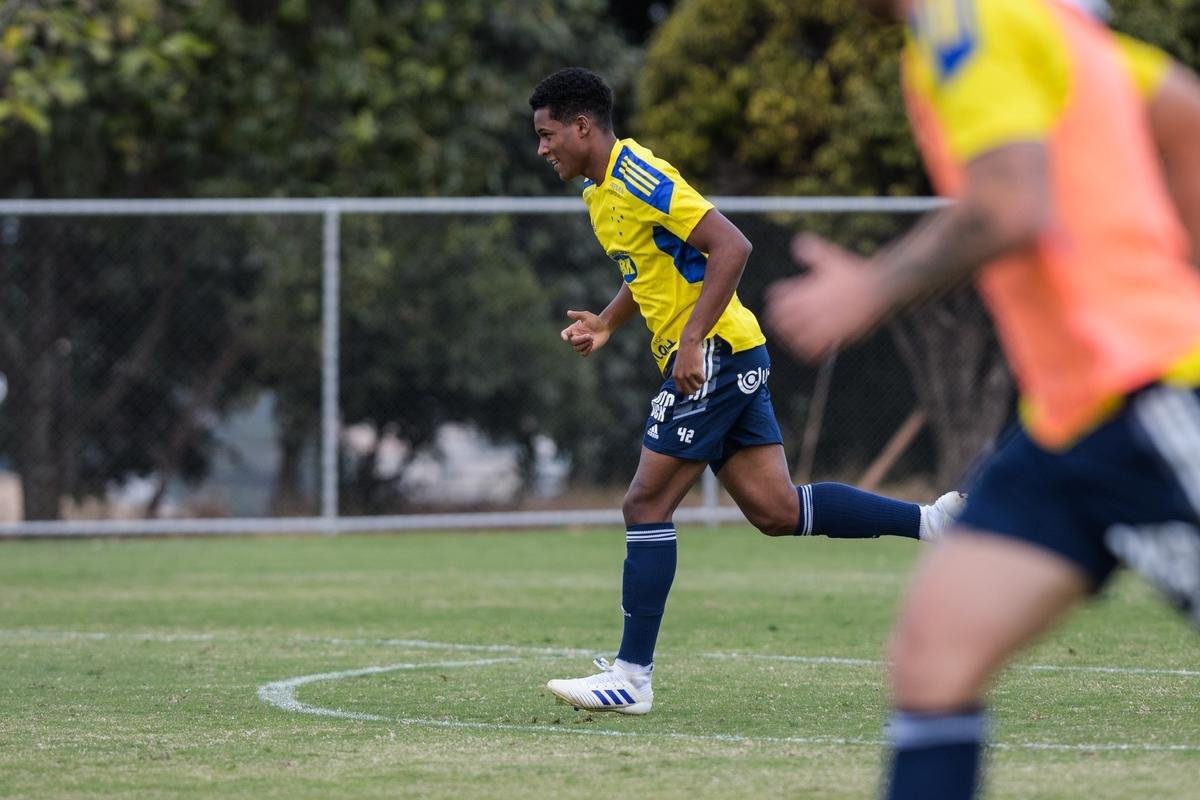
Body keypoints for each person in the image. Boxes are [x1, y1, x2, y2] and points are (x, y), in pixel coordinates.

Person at [763, 1, 1200, 798]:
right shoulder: (1047, 23)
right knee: (934, 658)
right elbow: (1187, 120)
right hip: (1071, 424)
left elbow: (1009, 204)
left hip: (1152, 396)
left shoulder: (961, 19)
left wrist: (872, 286)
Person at [528, 67, 964, 716]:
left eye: (547, 134)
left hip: (716, 355)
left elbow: (731, 245)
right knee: (776, 511)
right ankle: (935, 522)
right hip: (725, 352)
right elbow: (652, 267)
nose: (542, 148)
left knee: (645, 504)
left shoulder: (637, 175)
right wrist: (608, 322)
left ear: (583, 127)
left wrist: (692, 339)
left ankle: (632, 677)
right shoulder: (599, 193)